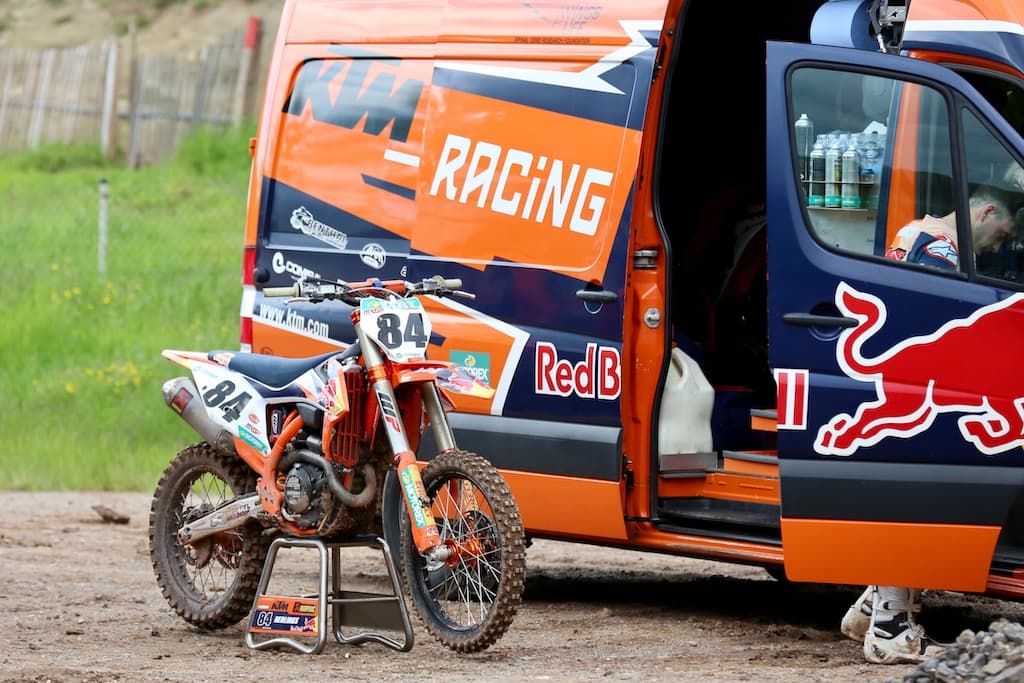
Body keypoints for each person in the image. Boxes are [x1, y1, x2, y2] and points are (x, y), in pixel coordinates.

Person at [841, 186, 1016, 665]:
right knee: (918, 500)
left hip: (913, 379)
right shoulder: (940, 249)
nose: (1002, 244)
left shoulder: (915, 230)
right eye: (1004, 231)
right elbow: (945, 314)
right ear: (984, 213)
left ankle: (868, 611)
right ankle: (890, 630)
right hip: (926, 384)